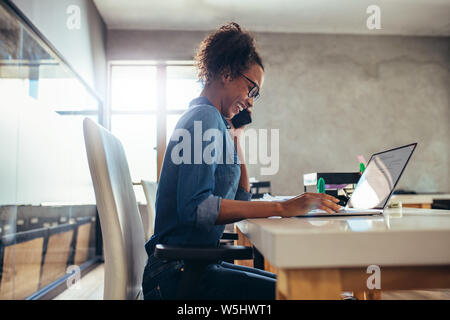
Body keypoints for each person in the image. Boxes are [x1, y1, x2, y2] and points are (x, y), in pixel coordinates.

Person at [142, 22, 341, 300]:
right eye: (252, 90)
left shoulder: (211, 121)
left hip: (191, 269)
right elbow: (196, 208)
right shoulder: (204, 118)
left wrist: (236, 136)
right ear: (226, 73)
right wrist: (283, 206)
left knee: (308, 290)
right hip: (178, 277)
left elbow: (241, 199)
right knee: (311, 295)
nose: (251, 102)